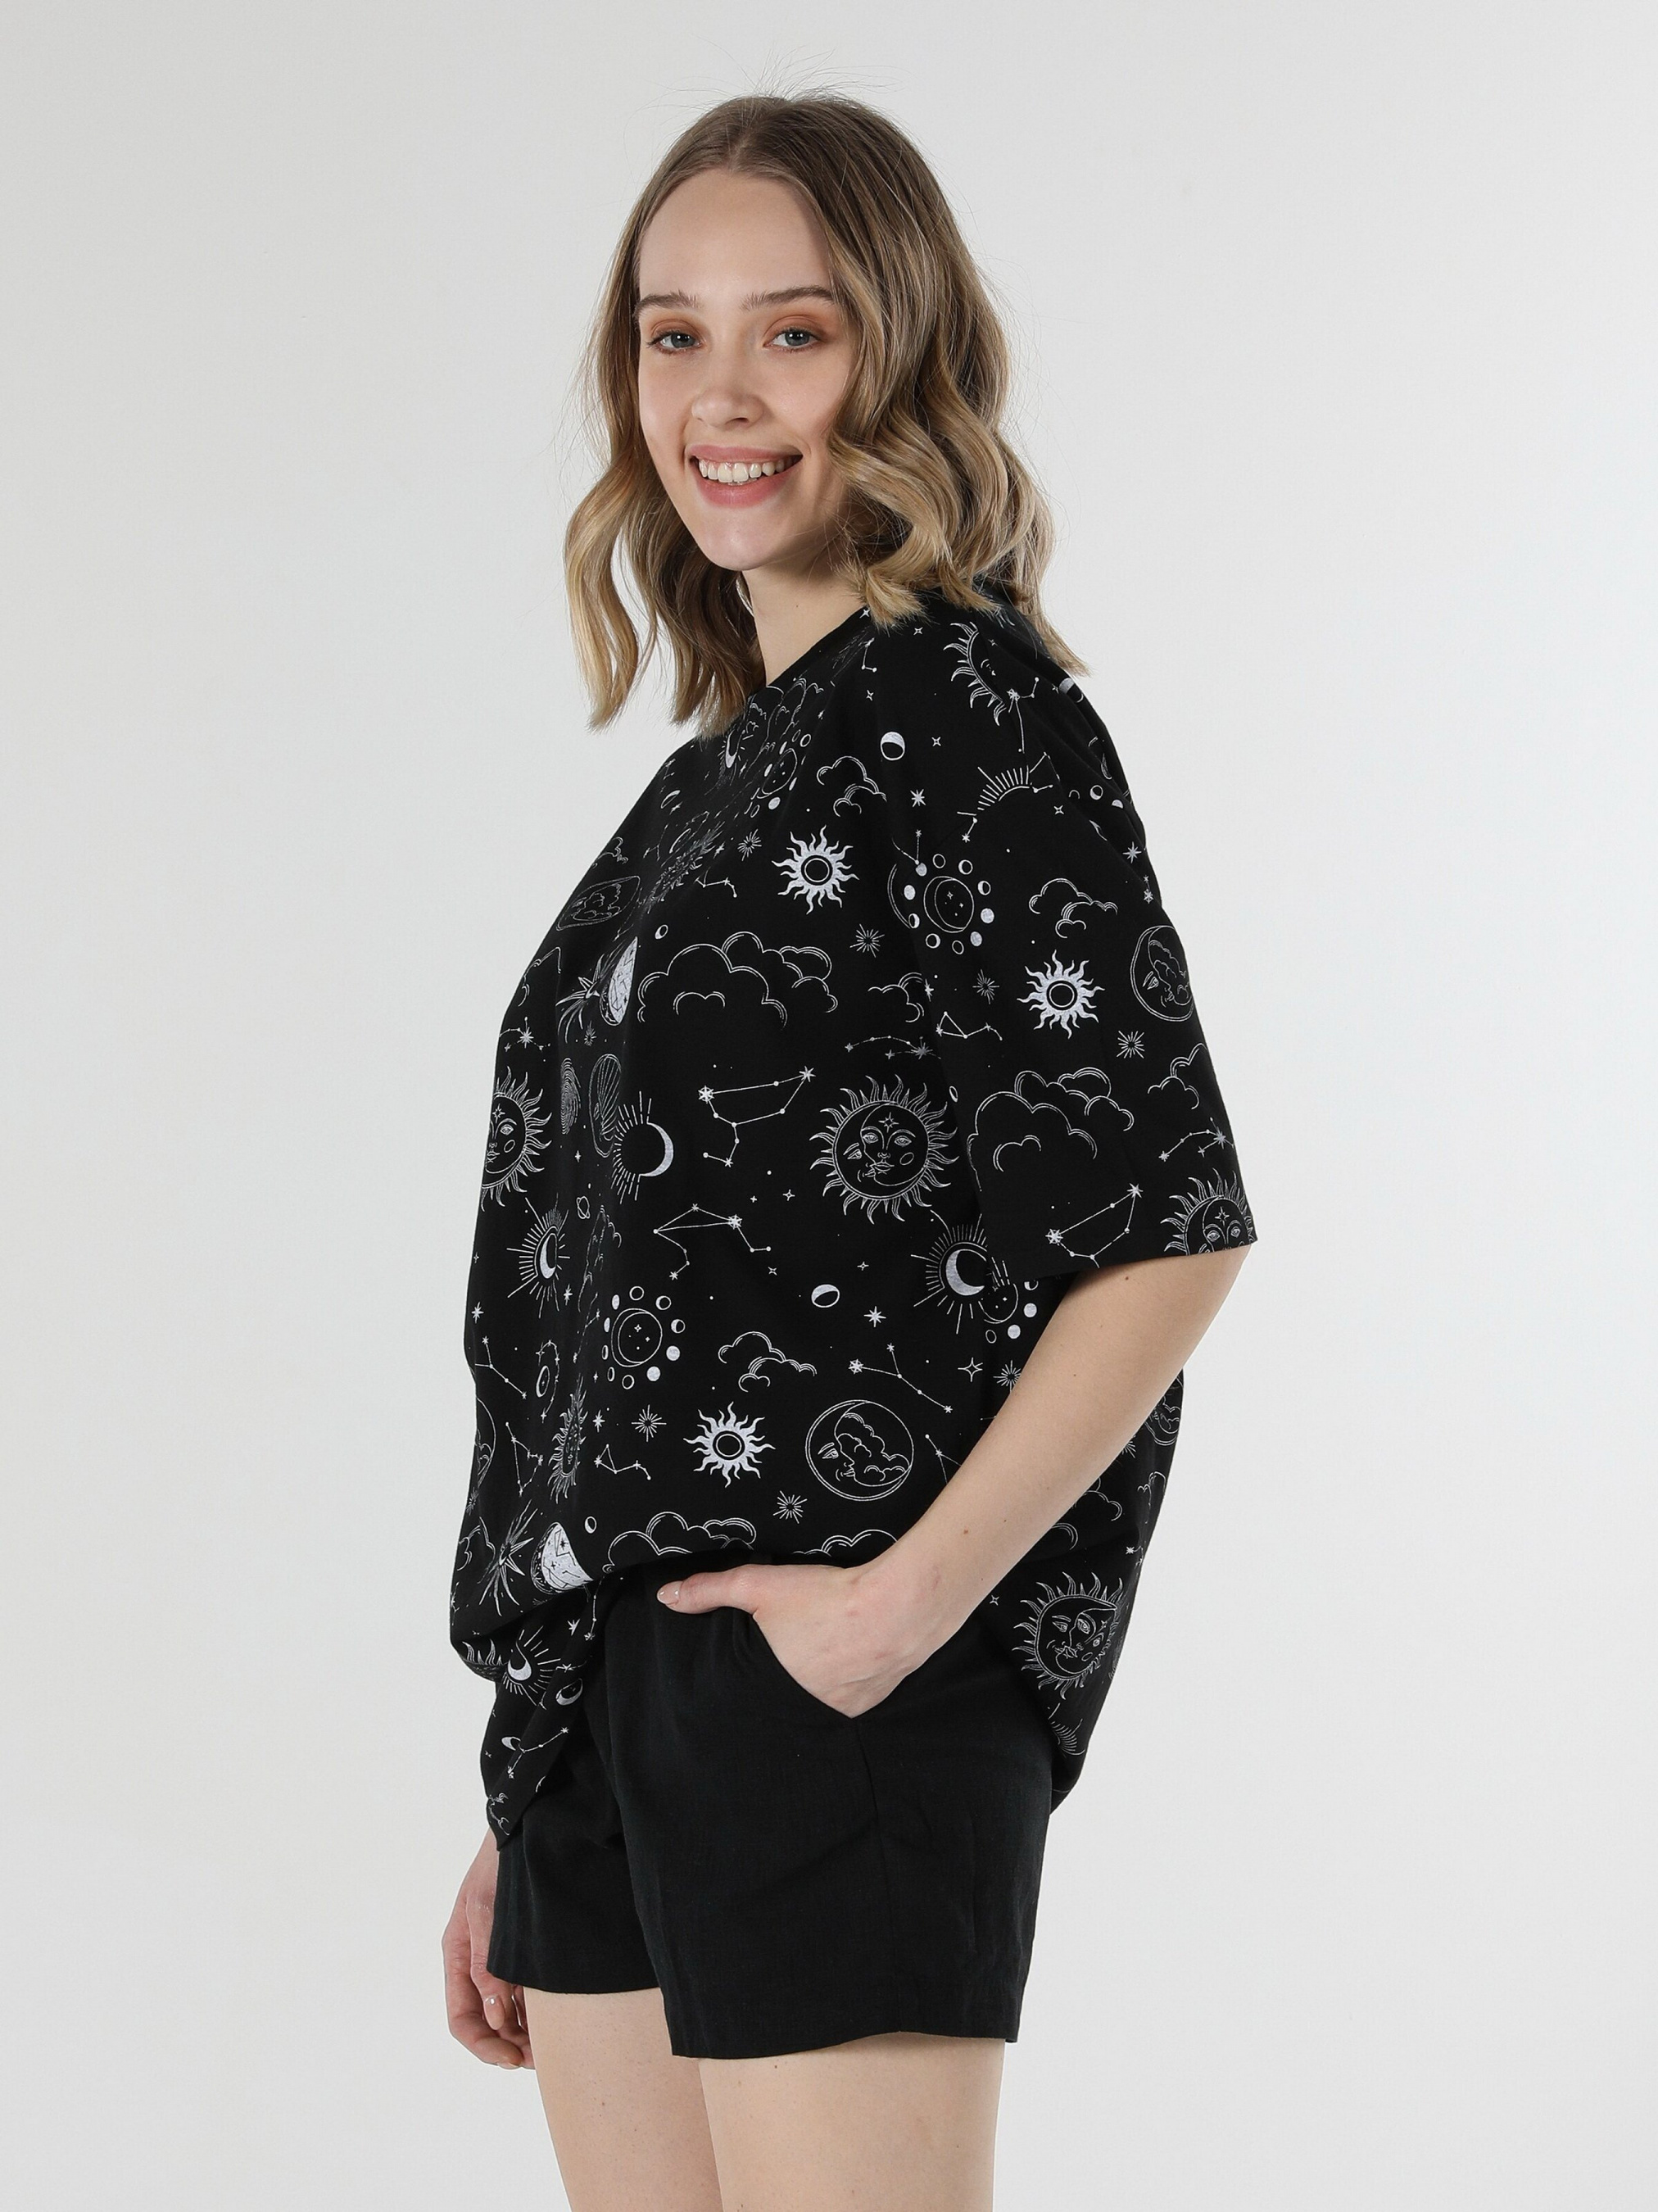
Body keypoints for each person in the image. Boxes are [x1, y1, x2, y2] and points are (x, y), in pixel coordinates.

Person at [440, 88, 1258, 2212]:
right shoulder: (715, 780)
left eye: (791, 334)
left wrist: (895, 1614)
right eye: (671, 334)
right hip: (615, 1694)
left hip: (841, 1677)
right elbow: (618, 1297)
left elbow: (1163, 1224)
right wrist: (544, 1763)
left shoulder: (967, 715)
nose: (720, 397)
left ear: (898, 358)